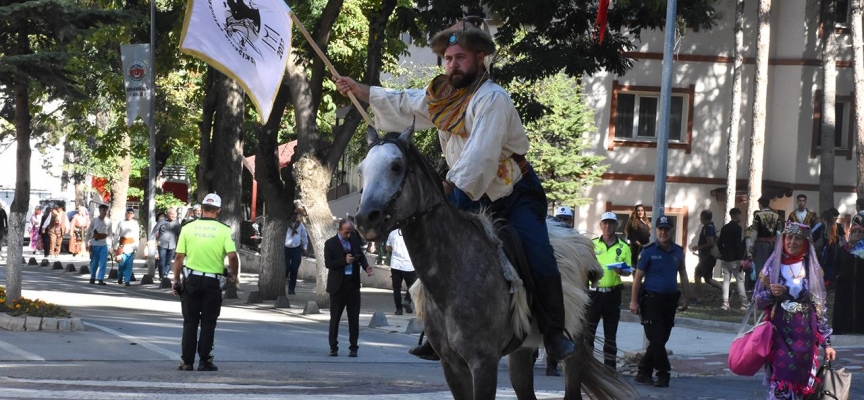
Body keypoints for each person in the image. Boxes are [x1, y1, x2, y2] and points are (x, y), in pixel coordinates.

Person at [335, 17, 577, 361]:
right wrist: (361, 90)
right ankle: (435, 330)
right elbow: (406, 102)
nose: (453, 65)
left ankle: (553, 332)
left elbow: (481, 153)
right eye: (448, 59)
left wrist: (451, 186)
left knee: (537, 253)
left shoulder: (492, 99)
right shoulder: (443, 98)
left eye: (460, 57)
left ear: (480, 58)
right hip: (468, 192)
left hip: (513, 195)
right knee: (440, 251)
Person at [754, 222, 836, 399]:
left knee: (802, 383)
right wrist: (770, 293)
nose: (792, 242)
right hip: (779, 334)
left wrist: (827, 343)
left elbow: (820, 308)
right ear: (783, 240)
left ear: (805, 242)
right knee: (781, 380)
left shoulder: (812, 269)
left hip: (806, 335)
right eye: (789, 237)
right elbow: (758, 301)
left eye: (798, 238)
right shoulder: (772, 268)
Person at [172, 193, 238, 371]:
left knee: (190, 322)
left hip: (191, 281)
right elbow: (232, 256)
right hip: (212, 283)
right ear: (218, 210)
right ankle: (205, 360)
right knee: (208, 322)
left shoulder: (188, 227)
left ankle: (187, 362)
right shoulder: (224, 230)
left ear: (201, 209)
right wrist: (233, 274)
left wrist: (176, 280)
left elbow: (179, 257)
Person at [629, 215, 689, 388]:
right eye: (660, 229)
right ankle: (664, 373)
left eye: (666, 229)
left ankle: (643, 372)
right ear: (656, 231)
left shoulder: (678, 251)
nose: (663, 232)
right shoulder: (648, 251)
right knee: (656, 338)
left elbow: (683, 274)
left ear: (671, 231)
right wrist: (634, 301)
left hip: (670, 302)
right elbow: (638, 278)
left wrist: (686, 297)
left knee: (661, 339)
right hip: (651, 301)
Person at [588, 211, 631, 371]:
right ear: (601, 225)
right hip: (594, 293)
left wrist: (622, 272)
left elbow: (628, 270)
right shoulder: (592, 244)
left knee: (610, 333)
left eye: (611, 223)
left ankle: (610, 368)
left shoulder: (624, 247)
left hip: (613, 294)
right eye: (605, 223)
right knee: (589, 332)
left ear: (616, 225)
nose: (608, 226)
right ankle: (588, 366)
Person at [324, 218, 373, 357]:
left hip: (353, 284)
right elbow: (329, 264)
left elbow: (361, 256)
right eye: (346, 232)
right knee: (335, 318)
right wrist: (344, 261)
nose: (349, 235)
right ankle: (333, 346)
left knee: (354, 318)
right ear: (340, 230)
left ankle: (354, 347)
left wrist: (366, 267)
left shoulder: (354, 241)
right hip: (338, 286)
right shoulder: (330, 243)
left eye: (351, 232)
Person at [833, 224, 864, 334]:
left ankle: (860, 328)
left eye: (859, 232)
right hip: (845, 285)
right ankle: (845, 327)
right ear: (851, 234)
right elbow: (836, 265)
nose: (857, 234)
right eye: (855, 232)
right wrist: (837, 276)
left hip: (861, 284)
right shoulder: (843, 249)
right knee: (844, 306)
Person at [748, 196, 783, 290]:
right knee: (771, 267)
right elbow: (779, 233)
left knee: (760, 267)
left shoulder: (758, 215)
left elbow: (754, 232)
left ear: (761, 204)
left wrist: (751, 245)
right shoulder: (776, 216)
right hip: (772, 245)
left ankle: (760, 289)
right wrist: (778, 245)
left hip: (761, 244)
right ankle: (771, 288)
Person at [717, 208, 748, 311]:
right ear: (735, 215)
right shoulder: (737, 228)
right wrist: (741, 258)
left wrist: (722, 252)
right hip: (735, 258)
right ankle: (744, 303)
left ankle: (725, 302)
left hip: (725, 257)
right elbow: (737, 245)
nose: (740, 217)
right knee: (740, 280)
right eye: (739, 215)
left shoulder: (725, 228)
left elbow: (719, 243)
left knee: (726, 280)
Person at [690, 210, 722, 302]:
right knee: (708, 279)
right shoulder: (710, 227)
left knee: (697, 275)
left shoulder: (708, 228)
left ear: (703, 217)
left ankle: (699, 298)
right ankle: (727, 291)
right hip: (707, 256)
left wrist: (698, 247)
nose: (700, 219)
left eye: (701, 217)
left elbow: (710, 243)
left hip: (707, 256)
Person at [386, 228, 417, 315]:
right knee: (413, 285)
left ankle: (399, 309)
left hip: (395, 265)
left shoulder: (392, 233)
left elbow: (387, 248)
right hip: (409, 265)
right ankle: (407, 300)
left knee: (396, 289)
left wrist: (395, 250)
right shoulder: (411, 233)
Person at [812, 208, 845, 288]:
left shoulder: (836, 226)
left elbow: (843, 239)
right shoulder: (823, 226)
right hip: (828, 249)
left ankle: (829, 281)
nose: (835, 219)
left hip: (831, 249)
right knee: (827, 265)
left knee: (831, 265)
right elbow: (813, 236)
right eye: (834, 217)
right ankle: (828, 281)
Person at [151, 208, 181, 280]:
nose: (173, 216)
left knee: (168, 262)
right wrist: (150, 239)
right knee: (162, 261)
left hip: (172, 245)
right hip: (162, 244)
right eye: (171, 214)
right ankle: (161, 275)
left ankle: (165, 275)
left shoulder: (177, 223)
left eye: (174, 214)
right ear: (167, 214)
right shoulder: (162, 221)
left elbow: (180, 234)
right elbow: (154, 231)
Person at [86, 204, 112, 285]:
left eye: (106, 210)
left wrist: (110, 245)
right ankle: (92, 277)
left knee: (103, 262)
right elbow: (88, 232)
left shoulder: (108, 221)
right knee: (94, 262)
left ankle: (100, 279)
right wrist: (87, 243)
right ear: (100, 211)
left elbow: (110, 234)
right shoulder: (94, 221)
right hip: (95, 244)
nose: (105, 212)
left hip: (104, 244)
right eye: (103, 210)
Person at [284, 212, 308, 295]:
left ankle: (291, 289)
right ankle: (283, 281)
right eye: (292, 215)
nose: (294, 217)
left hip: (296, 249)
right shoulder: (285, 224)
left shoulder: (300, 225)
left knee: (294, 270)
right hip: (286, 248)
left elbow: (304, 236)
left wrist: (305, 248)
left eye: (295, 215)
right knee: (286, 268)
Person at [113, 209, 140, 286]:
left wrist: (136, 247)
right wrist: (115, 246)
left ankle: (127, 280)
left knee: (129, 264)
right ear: (125, 214)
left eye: (131, 213)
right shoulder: (121, 223)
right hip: (122, 246)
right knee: (121, 263)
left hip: (131, 246)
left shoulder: (135, 224)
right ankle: (120, 276)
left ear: (133, 215)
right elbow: (116, 235)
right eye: (128, 213)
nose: (129, 215)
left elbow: (137, 236)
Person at [625, 204, 651, 269]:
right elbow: (632, 238)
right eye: (638, 210)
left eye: (642, 210)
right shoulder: (632, 223)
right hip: (637, 250)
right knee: (637, 269)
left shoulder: (645, 222)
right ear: (635, 212)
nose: (640, 212)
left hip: (646, 249)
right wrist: (641, 246)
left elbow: (648, 235)